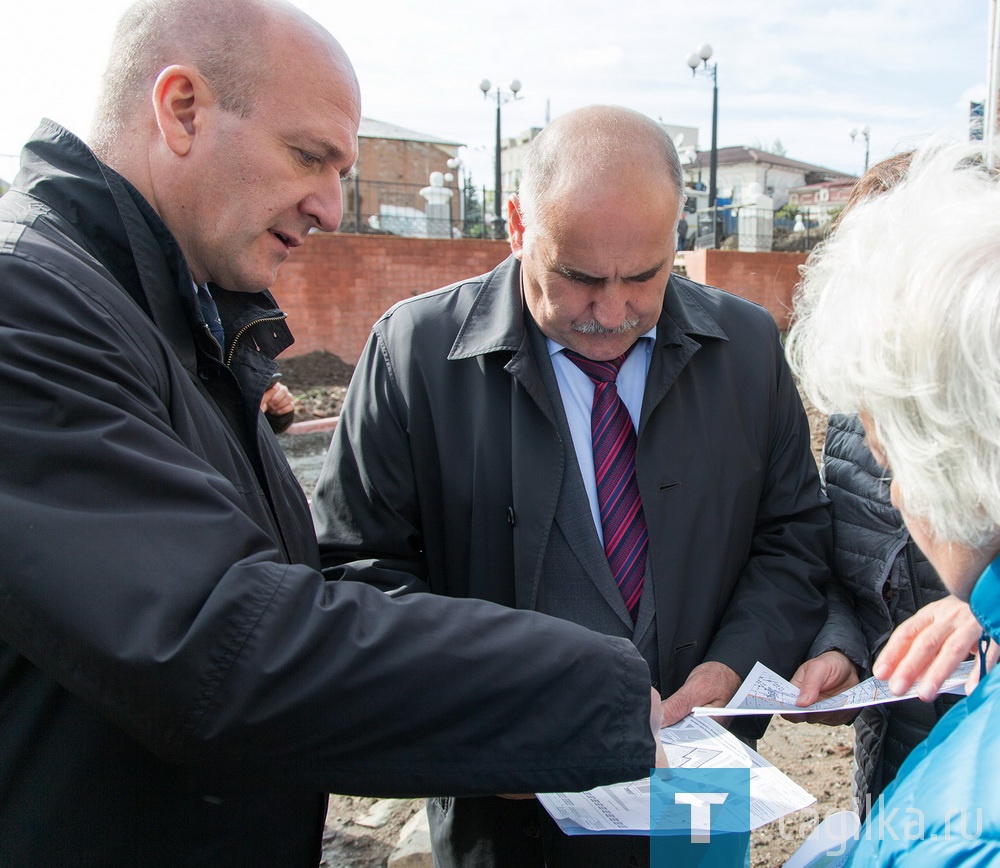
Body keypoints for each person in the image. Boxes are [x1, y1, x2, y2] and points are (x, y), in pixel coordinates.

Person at [0, 4, 665, 865]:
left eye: (343, 169)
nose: (331, 205)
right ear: (181, 108)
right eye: (309, 156)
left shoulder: (164, 316)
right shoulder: (29, 308)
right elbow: (220, 643)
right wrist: (582, 687)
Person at [313, 105, 831, 867]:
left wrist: (733, 669)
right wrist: (495, 717)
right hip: (508, 816)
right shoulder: (414, 357)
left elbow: (793, 537)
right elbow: (358, 581)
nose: (612, 313)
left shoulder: (747, 349)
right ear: (519, 225)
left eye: (646, 275)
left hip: (699, 784)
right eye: (579, 277)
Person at [785, 139, 1000, 863]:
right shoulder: (853, 414)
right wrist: (840, 645)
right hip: (901, 749)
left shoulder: (969, 834)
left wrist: (980, 605)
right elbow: (836, 561)